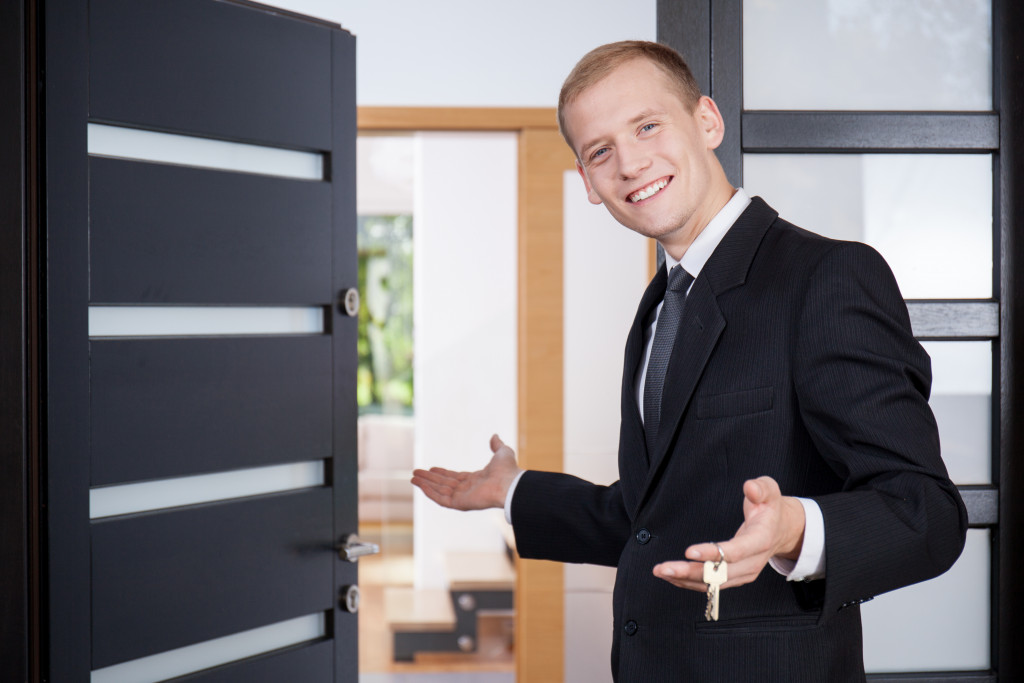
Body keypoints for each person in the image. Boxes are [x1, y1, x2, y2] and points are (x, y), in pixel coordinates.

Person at [412, 40, 967, 682]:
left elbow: (926, 514)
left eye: (647, 125)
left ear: (707, 121)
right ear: (589, 183)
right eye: (600, 151)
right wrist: (512, 493)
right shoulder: (659, 304)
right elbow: (654, 518)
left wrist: (794, 528)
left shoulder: (826, 276)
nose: (629, 162)